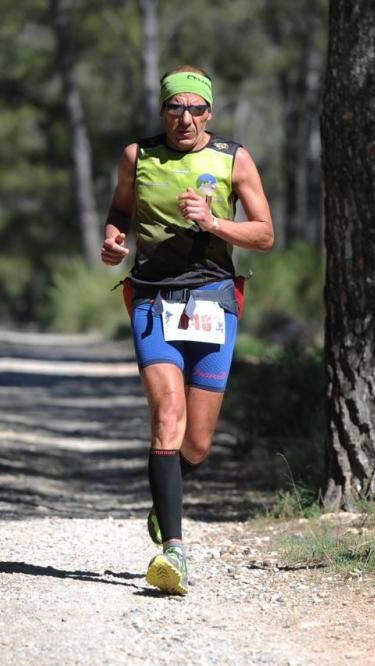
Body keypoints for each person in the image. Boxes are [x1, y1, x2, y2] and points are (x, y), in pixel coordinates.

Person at [100, 66, 274, 595]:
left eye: (195, 109)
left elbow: (264, 234)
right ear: (162, 112)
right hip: (153, 297)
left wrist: (215, 223)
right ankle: (172, 550)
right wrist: (112, 240)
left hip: (214, 301)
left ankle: (165, 498)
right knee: (167, 417)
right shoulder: (139, 156)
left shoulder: (233, 158)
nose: (184, 118)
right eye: (174, 107)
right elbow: (120, 211)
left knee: (196, 445)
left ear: (209, 114)